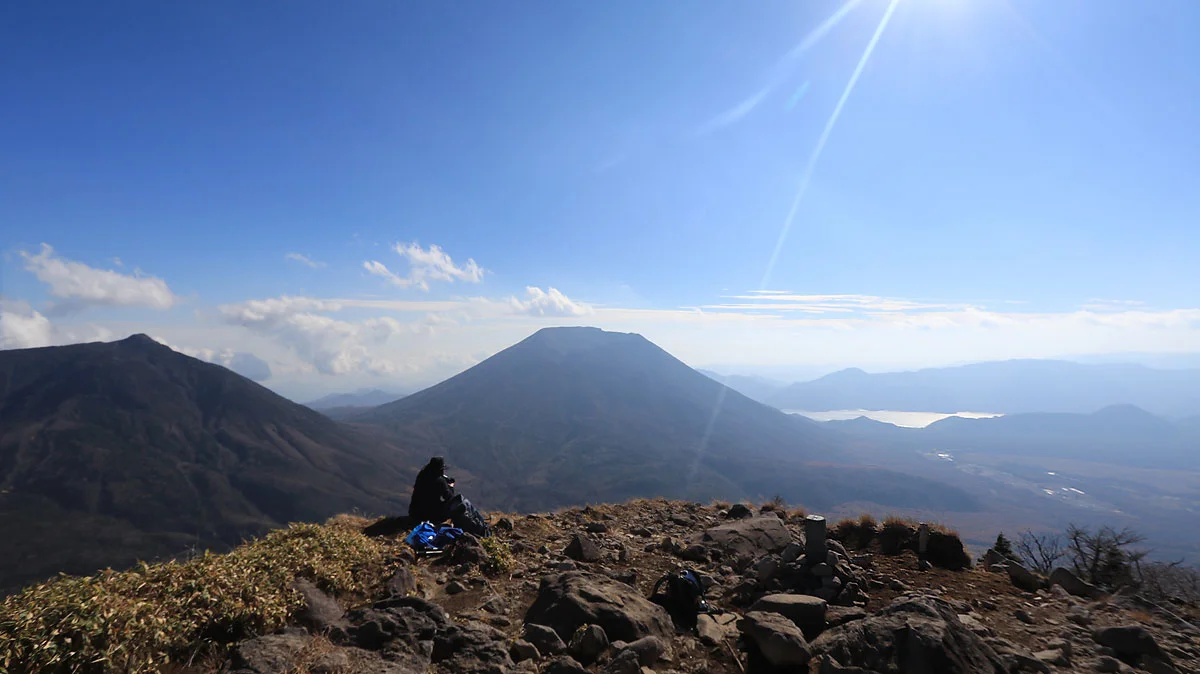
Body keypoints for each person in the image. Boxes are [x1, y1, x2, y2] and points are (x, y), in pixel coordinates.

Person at [408, 456, 490, 537]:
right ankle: (475, 526)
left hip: (415, 512)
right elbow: (449, 497)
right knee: (459, 504)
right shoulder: (439, 481)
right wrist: (450, 487)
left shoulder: (422, 475)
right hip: (430, 515)